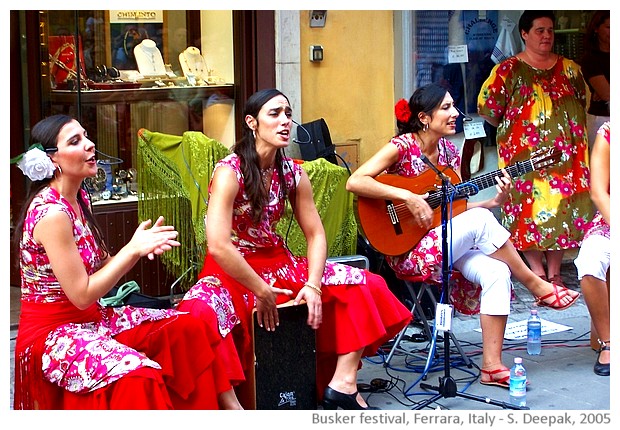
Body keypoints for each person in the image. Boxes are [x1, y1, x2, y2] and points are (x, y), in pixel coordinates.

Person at [176, 88, 411, 410]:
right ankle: (233, 409)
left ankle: (342, 383)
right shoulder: (229, 171)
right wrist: (260, 289)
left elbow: (315, 235)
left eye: (288, 113)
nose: (285, 121)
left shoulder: (293, 173)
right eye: (274, 114)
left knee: (365, 283)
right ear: (252, 123)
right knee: (197, 315)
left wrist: (313, 285)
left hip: (279, 261)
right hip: (231, 269)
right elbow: (218, 245)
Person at [346, 83, 580, 388]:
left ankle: (492, 367)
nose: (455, 113)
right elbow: (356, 181)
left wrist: (494, 203)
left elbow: (457, 209)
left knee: (496, 269)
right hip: (408, 251)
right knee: (482, 221)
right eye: (446, 107)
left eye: (454, 106)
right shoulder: (402, 145)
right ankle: (536, 284)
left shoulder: (447, 151)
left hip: (442, 240)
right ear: (424, 117)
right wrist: (407, 197)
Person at [11, 114, 242, 410]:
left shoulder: (79, 197)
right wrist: (132, 251)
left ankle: (230, 412)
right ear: (52, 160)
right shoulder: (52, 214)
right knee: (140, 376)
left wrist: (141, 246)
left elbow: (104, 263)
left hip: (94, 319)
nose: (90, 144)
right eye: (75, 141)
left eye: (86, 135)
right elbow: (81, 295)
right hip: (52, 335)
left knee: (187, 327)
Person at [477, 10, 592, 287]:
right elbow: (489, 110)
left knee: (562, 210)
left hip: (566, 157)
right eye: (540, 30)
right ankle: (536, 272)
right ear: (525, 34)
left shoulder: (570, 69)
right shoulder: (507, 70)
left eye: (550, 30)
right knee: (524, 210)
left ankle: (555, 273)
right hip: (523, 159)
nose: (547, 36)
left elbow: (583, 102)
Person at [574, 122, 610, 376]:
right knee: (589, 261)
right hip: (611, 219)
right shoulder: (610, 132)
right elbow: (598, 193)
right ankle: (609, 343)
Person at [580, 11, 610, 148]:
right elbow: (607, 94)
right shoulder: (591, 59)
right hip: (602, 119)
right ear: (596, 29)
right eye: (608, 27)